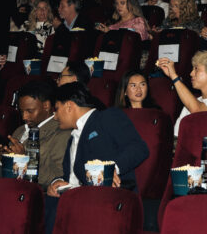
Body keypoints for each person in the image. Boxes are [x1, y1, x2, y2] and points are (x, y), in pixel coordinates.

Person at [45, 83, 149, 230]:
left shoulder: (107, 117)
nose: (54, 117)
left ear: (69, 106)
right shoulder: (72, 138)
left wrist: (112, 169)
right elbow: (71, 177)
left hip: (111, 200)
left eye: (56, 109)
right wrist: (57, 183)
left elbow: (140, 149)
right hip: (79, 199)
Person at [0, 80, 71, 189]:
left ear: (46, 105)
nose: (24, 117)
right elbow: (0, 177)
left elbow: (59, 179)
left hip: (38, 197)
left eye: (30, 111)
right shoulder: (19, 130)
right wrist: (2, 159)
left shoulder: (62, 132)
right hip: (10, 191)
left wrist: (24, 160)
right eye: (22, 111)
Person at [157, 51, 207, 136]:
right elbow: (177, 136)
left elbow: (198, 111)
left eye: (196, 69)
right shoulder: (192, 103)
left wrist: (174, 76)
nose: (191, 73)